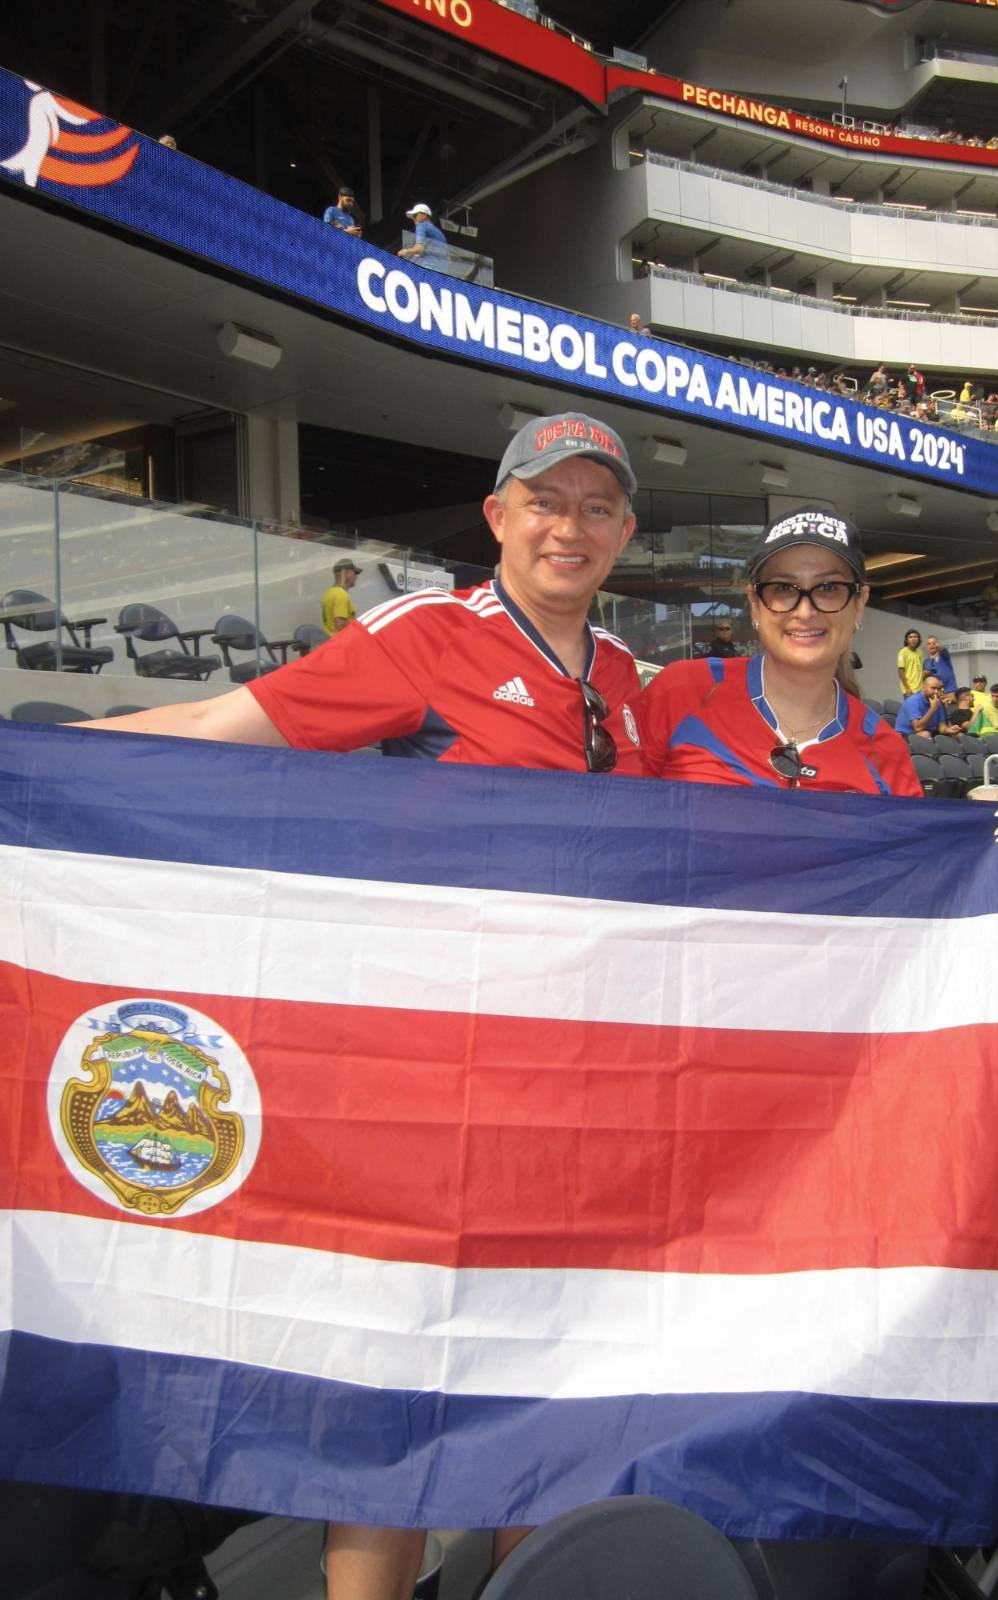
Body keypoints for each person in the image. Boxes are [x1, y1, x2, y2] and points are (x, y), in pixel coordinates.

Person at [76, 410, 647, 1600]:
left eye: (597, 505)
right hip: (433, 1094)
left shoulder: (633, 684)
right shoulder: (427, 634)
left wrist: (977, 832)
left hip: (570, 1104)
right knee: (393, 1409)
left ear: (626, 531)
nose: (570, 525)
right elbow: (211, 731)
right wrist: (38, 758)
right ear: (497, 517)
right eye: (545, 500)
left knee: (533, 1395)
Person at [637, 507, 921, 794]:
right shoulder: (681, 692)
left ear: (859, 603)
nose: (806, 611)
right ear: (755, 603)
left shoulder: (886, 755)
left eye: (828, 587)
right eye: (784, 587)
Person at [894, 671, 946, 740]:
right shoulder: (913, 701)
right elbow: (918, 728)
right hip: (905, 735)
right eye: (933, 688)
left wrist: (949, 730)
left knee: (954, 736)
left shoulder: (937, 702)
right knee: (925, 734)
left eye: (938, 689)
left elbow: (941, 727)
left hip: (928, 734)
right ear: (923, 688)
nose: (936, 692)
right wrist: (932, 709)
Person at [321, 558, 362, 635]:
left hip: (332, 641)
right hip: (343, 642)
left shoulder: (329, 592)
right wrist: (360, 628)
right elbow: (340, 625)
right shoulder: (340, 594)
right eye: (355, 573)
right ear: (346, 573)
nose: (356, 577)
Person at [896, 627, 924, 696]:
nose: (913, 639)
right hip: (910, 691)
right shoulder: (902, 652)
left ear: (918, 639)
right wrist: (907, 688)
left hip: (921, 690)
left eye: (915, 637)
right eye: (910, 637)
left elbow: (921, 670)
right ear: (907, 640)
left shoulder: (920, 652)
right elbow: (900, 672)